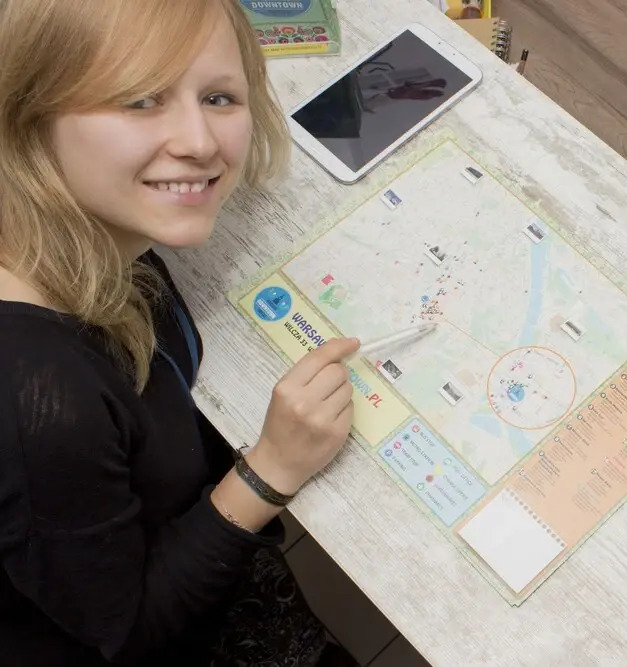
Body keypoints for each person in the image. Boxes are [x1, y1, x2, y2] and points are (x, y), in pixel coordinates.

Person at [0, 1, 360, 665]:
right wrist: (270, 468)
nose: (199, 141)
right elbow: (128, 635)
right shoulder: (41, 400)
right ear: (29, 114)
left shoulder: (81, 228)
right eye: (140, 99)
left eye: (219, 97)